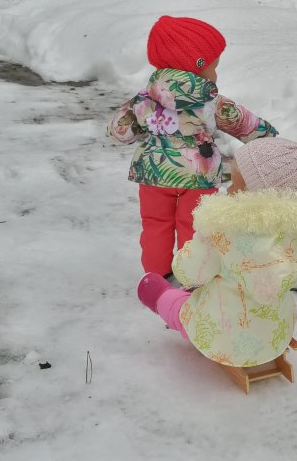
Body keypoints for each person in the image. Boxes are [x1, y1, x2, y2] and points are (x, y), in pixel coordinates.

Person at [137, 136, 297, 369]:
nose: (229, 189)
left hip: (222, 337)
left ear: (254, 193)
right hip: (276, 334)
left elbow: (189, 272)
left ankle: (158, 296)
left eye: (235, 184)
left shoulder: (225, 230)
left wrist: (191, 256)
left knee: (180, 303)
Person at [108, 15, 277, 278]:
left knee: (155, 225)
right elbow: (243, 124)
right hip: (199, 173)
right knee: (196, 226)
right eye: (214, 65)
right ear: (197, 65)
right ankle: (194, 276)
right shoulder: (212, 102)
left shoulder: (144, 99)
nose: (216, 72)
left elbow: (120, 131)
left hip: (154, 173)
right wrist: (269, 137)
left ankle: (156, 276)